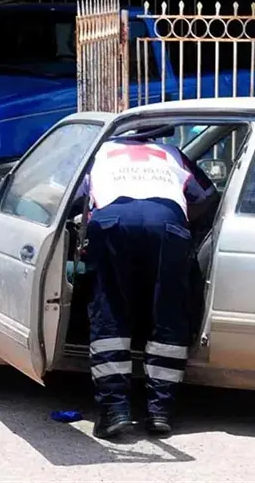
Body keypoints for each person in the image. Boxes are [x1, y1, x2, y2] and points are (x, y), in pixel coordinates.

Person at [73, 133, 214, 439]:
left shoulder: (98, 152)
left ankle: (114, 411)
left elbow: (69, 197)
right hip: (167, 223)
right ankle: (160, 412)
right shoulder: (172, 153)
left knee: (109, 311)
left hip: (113, 221)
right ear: (153, 136)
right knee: (168, 312)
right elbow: (206, 196)